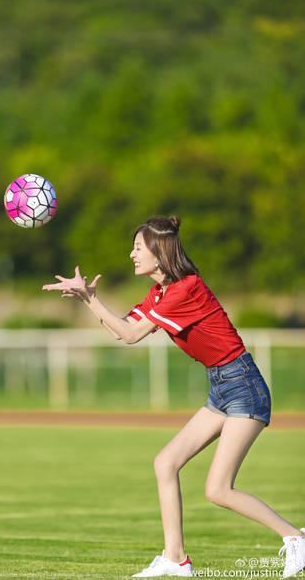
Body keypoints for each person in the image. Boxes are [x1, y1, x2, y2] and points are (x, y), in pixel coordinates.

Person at [42, 215, 305, 579]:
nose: (131, 254)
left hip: (243, 385)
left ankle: (295, 538)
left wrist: (90, 299)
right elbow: (123, 331)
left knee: (217, 489)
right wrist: (91, 301)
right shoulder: (160, 293)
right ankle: (176, 558)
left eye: (137, 248)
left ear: (158, 252)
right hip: (223, 386)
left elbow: (132, 335)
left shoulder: (186, 290)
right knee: (165, 463)